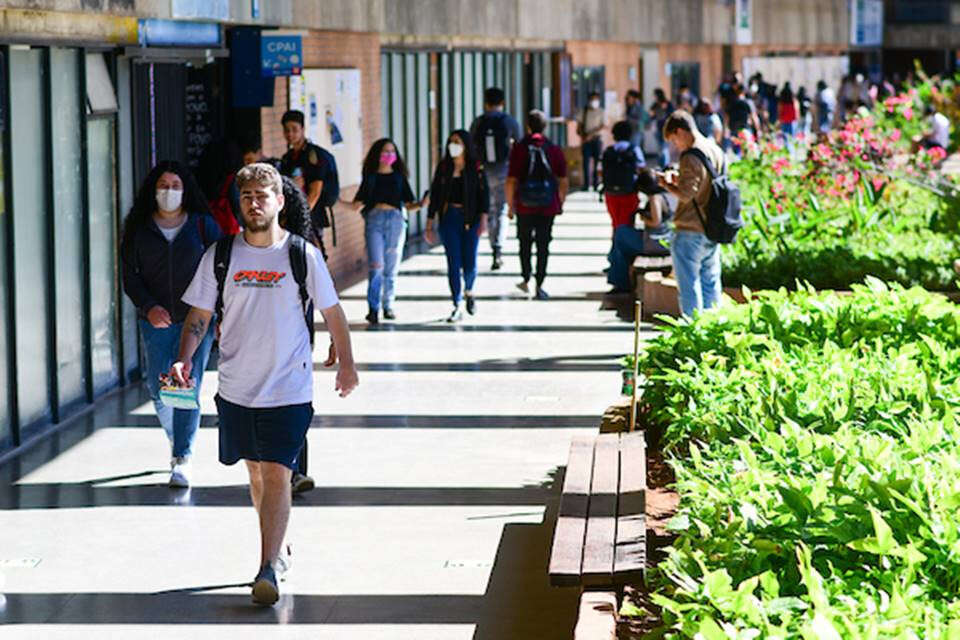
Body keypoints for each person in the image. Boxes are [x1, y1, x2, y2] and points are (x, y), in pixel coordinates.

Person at [171, 162, 358, 606]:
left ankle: (267, 567)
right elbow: (199, 315)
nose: (255, 202)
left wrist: (346, 363)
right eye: (247, 196)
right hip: (237, 385)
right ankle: (278, 545)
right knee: (255, 472)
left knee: (277, 471)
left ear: (279, 201)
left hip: (289, 386)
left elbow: (333, 312)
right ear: (240, 204)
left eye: (263, 194)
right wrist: (183, 359)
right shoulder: (220, 256)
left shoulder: (301, 254)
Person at [120, 161, 222, 488]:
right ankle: (176, 435)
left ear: (186, 189)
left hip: (198, 319)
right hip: (156, 321)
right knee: (158, 389)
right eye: (163, 185)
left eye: (176, 185)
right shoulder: (139, 230)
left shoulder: (203, 227)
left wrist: (223, 312)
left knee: (184, 386)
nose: (169, 191)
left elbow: (223, 270)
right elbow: (129, 277)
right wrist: (148, 307)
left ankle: (183, 456)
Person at [346, 138, 425, 325]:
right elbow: (357, 205)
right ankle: (373, 308)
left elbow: (409, 204)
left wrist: (422, 204)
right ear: (377, 154)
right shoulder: (370, 177)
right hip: (374, 221)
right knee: (376, 265)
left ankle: (388, 305)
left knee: (391, 266)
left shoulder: (399, 177)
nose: (389, 155)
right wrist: (334, 201)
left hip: (396, 221)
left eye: (392, 151)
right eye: (385, 151)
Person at [657, 110, 725, 318]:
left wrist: (666, 184)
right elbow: (705, 183)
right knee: (710, 284)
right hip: (712, 228)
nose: (675, 146)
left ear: (680, 131)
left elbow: (687, 194)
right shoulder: (714, 149)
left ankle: (693, 332)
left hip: (690, 229)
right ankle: (713, 332)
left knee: (689, 288)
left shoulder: (690, 155)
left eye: (674, 140)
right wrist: (680, 178)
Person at [425, 130, 490, 322]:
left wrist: (484, 219)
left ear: (466, 145)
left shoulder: (476, 167)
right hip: (449, 219)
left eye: (458, 142)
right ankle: (456, 303)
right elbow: (435, 195)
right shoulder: (444, 168)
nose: (453, 145)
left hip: (471, 219)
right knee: (453, 263)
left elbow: (484, 196)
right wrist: (429, 223)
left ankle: (469, 290)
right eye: (451, 141)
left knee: (469, 264)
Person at [505, 110, 568, 300]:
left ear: (528, 126)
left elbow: (511, 180)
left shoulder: (520, 148)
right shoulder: (553, 149)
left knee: (524, 242)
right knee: (543, 244)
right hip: (548, 205)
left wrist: (510, 205)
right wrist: (560, 200)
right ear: (545, 126)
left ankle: (526, 276)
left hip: (524, 204)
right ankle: (540, 284)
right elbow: (563, 179)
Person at [469, 87, 522, 271]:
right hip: (503, 171)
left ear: (486, 103)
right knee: (500, 209)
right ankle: (497, 249)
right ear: (502, 103)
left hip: (483, 172)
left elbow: (471, 147)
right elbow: (520, 146)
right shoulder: (509, 122)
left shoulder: (478, 122)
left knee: (488, 209)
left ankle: (493, 244)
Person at [279, 110, 340, 260]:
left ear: (303, 129)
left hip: (311, 214)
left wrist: (302, 216)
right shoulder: (288, 158)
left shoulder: (313, 156)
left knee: (312, 256)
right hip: (291, 214)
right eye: (287, 130)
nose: (290, 134)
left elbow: (315, 191)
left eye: (294, 129)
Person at [606, 169, 672, 293]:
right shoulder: (669, 194)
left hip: (655, 243)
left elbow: (656, 222)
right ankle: (617, 273)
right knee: (621, 240)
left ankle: (620, 282)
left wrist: (643, 218)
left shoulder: (655, 197)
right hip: (666, 241)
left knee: (620, 235)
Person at [600, 120, 645, 230]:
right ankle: (624, 244)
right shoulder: (634, 149)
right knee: (628, 223)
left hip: (611, 192)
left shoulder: (608, 151)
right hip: (629, 192)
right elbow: (641, 168)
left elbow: (600, 170)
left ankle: (616, 244)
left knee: (615, 222)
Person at [577, 91, 605, 191]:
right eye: (593, 99)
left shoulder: (601, 111)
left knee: (597, 162)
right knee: (586, 162)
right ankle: (586, 184)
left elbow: (603, 125)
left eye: (596, 99)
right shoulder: (583, 111)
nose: (594, 101)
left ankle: (596, 183)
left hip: (597, 139)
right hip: (586, 141)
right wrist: (583, 136)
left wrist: (591, 134)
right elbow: (579, 126)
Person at [650, 88, 675, 167]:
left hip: (666, 128)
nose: (654, 97)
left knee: (664, 148)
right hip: (657, 128)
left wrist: (664, 109)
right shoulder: (655, 105)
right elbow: (651, 116)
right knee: (660, 148)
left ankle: (665, 164)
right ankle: (661, 164)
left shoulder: (667, 104)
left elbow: (671, 114)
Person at [777, 83, 800, 152]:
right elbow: (796, 109)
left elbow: (779, 110)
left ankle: (785, 150)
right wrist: (797, 118)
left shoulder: (782, 100)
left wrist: (779, 119)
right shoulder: (793, 99)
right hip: (792, 120)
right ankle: (791, 151)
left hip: (784, 119)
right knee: (791, 137)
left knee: (784, 137)